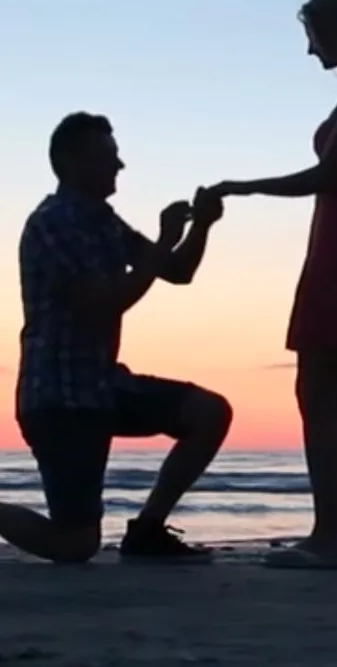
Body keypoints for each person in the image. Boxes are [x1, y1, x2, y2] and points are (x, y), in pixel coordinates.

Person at [210, 0, 337, 569]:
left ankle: (335, 538)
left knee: (321, 396)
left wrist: (243, 187)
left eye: (313, 36)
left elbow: (327, 175)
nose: (309, 51)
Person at [0, 112, 232, 564]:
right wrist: (165, 238)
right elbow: (104, 301)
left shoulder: (103, 219)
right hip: (60, 399)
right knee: (77, 543)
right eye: (107, 156)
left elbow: (177, 272)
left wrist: (201, 227)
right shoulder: (54, 223)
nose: (120, 166)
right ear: (70, 162)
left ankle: (147, 530)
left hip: (103, 385)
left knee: (209, 412)